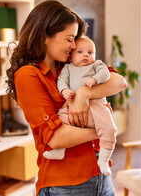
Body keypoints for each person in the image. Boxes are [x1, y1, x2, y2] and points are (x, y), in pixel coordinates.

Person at [6, 0, 126, 196]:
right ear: (45, 37)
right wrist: (105, 129)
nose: (73, 46)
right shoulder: (28, 76)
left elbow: (119, 82)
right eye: (69, 39)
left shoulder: (70, 64)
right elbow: (55, 138)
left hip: (101, 176)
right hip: (65, 185)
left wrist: (85, 94)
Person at [43, 36, 117, 177]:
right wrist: (65, 91)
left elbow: (106, 74)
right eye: (80, 52)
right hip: (72, 105)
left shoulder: (96, 65)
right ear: (70, 57)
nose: (86, 55)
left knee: (109, 128)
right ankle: (60, 151)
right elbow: (61, 81)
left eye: (90, 52)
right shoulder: (68, 68)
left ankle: (104, 159)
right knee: (61, 118)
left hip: (96, 104)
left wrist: (95, 79)